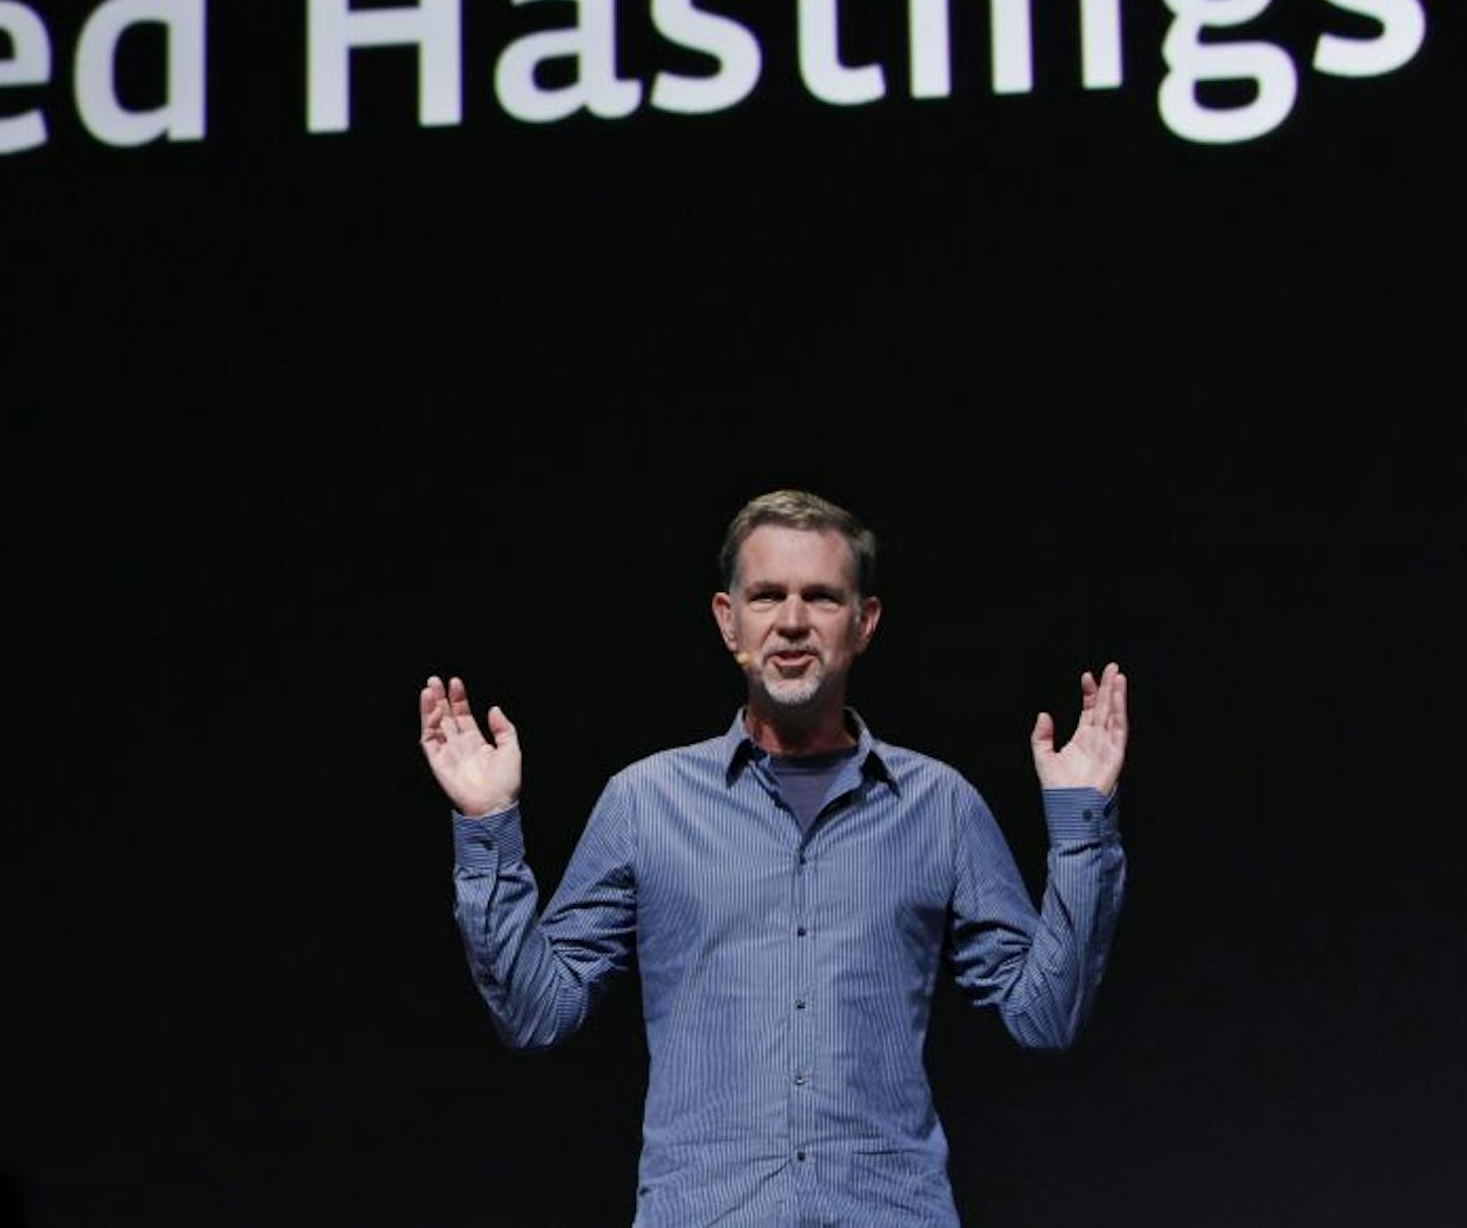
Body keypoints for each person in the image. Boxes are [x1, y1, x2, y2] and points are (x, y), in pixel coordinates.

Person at [418, 490, 1127, 1227]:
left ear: (864, 623)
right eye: (767, 596)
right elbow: (538, 1013)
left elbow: (1043, 1016)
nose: (792, 620)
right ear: (730, 621)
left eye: (821, 596)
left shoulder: (939, 807)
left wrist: (1080, 824)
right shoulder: (645, 803)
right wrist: (487, 821)